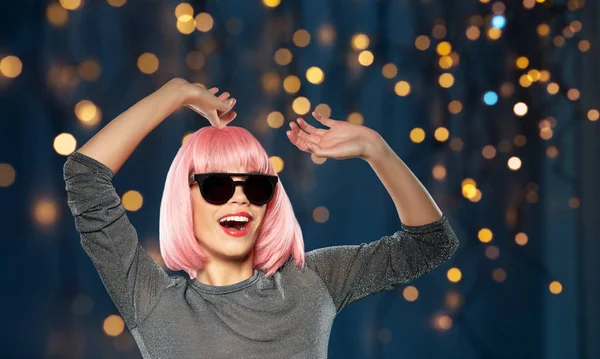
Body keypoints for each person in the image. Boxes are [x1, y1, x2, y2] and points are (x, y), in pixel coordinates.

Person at [63, 78, 459, 358]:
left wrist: (377, 150)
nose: (239, 198)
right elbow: (85, 177)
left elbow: (430, 243)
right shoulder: (151, 301)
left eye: (256, 188)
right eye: (218, 186)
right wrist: (175, 94)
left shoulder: (312, 281)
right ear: (185, 199)